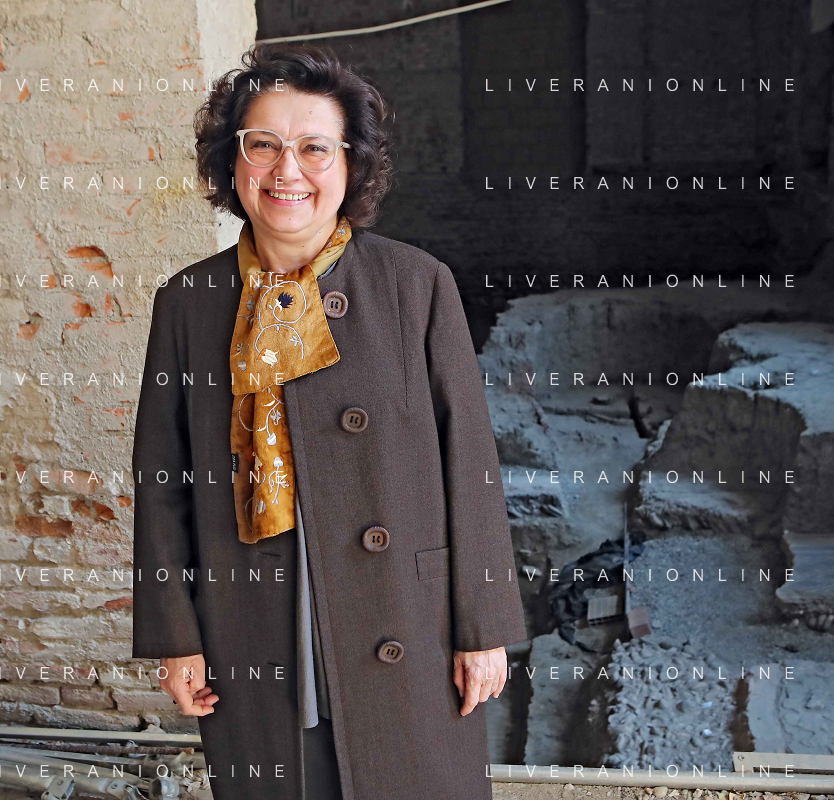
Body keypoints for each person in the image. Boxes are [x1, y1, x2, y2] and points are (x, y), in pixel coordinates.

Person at [131, 43, 527, 800]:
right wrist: (176, 637)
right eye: (263, 144)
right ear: (232, 161)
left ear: (351, 166)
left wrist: (483, 627)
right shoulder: (187, 302)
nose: (288, 170)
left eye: (314, 148)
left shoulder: (416, 285)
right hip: (251, 611)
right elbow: (162, 483)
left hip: (405, 615)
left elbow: (470, 463)